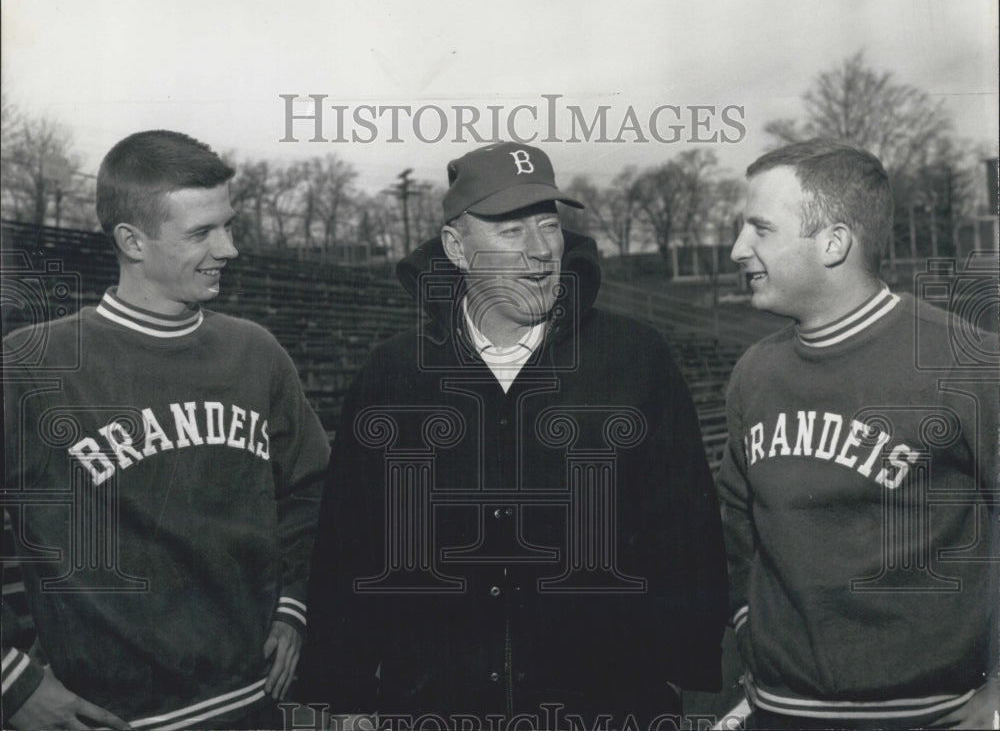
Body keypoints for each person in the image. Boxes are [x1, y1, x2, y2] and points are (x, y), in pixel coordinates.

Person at [300, 141, 728, 729]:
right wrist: (343, 695)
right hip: (436, 703)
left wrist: (692, 684)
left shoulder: (636, 357)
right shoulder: (393, 371)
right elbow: (350, 543)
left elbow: (687, 535)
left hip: (605, 703)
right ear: (456, 247)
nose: (539, 252)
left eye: (548, 226)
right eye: (509, 231)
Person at [1, 130, 330, 730]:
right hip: (110, 718)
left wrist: (295, 602)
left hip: (256, 706)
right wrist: (11, 683)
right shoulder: (31, 366)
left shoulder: (255, 353)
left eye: (228, 224)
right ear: (132, 241)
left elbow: (312, 492)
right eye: (202, 233)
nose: (228, 248)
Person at [717, 139, 999, 729]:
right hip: (781, 707)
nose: (739, 249)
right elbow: (736, 524)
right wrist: (751, 624)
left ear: (833, 242)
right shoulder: (755, 372)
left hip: (934, 714)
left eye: (760, 229)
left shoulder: (962, 362)